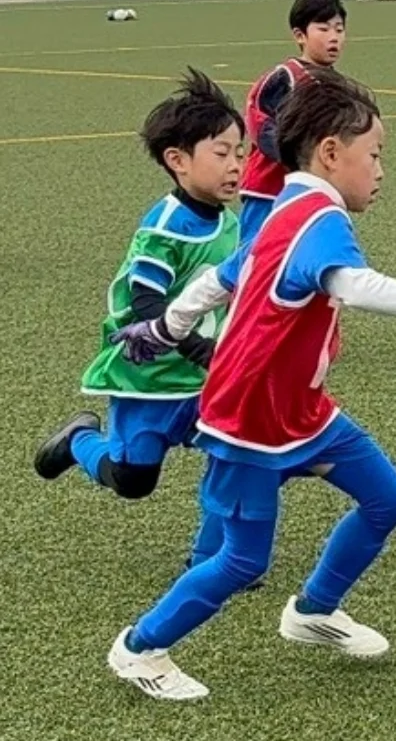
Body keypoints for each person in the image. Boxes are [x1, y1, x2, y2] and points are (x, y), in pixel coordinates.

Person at [102, 71, 396, 701]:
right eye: (374, 155)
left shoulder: (288, 206)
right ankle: (140, 647)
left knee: (388, 499)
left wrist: (165, 324)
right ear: (330, 153)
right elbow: (350, 284)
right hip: (250, 420)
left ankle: (313, 612)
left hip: (302, 412)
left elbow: (222, 278)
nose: (380, 170)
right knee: (242, 561)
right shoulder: (319, 218)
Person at [33, 71, 242, 568]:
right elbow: (146, 305)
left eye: (241, 152)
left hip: (203, 378)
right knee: (133, 482)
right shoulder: (164, 228)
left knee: (236, 451)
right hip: (147, 375)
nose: (236, 165)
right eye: (222, 153)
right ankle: (80, 439)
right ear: (177, 160)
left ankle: (213, 557)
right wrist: (195, 346)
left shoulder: (230, 222)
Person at [237, 0, 347, 247]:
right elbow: (258, 121)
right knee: (253, 256)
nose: (334, 37)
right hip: (268, 190)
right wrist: (298, 158)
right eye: (323, 29)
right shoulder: (285, 76)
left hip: (311, 188)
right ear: (300, 35)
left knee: (301, 254)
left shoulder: (338, 84)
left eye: (339, 29)